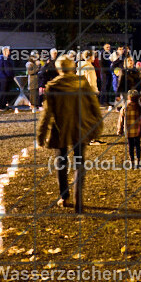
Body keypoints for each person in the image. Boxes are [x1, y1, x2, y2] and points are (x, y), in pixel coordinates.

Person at [37, 55, 102, 212]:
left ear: (59, 69)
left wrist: (41, 134)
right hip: (80, 129)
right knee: (79, 164)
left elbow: (46, 113)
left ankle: (64, 196)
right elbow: (94, 105)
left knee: (61, 163)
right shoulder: (82, 83)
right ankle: (78, 198)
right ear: (72, 67)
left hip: (61, 130)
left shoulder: (53, 86)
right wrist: (98, 126)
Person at [117, 89, 141, 167]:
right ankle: (138, 160)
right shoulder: (139, 108)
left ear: (128, 97)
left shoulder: (125, 108)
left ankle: (132, 161)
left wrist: (119, 130)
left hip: (128, 131)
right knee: (137, 145)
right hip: (137, 131)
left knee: (130, 146)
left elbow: (120, 120)